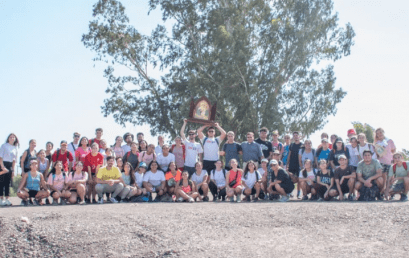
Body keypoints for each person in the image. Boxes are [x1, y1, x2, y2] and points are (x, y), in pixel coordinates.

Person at [373, 128, 396, 193]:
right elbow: (377, 154)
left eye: (380, 132)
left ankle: (390, 193)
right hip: (381, 162)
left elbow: (393, 150)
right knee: (382, 179)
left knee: (390, 178)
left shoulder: (389, 141)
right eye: (377, 133)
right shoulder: (377, 143)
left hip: (389, 162)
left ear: (383, 132)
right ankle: (382, 192)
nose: (379, 134)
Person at [0, 133, 19, 206]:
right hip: (3, 164)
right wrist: (2, 167)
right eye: (11, 137)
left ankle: (7, 199)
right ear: (8, 138)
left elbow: (14, 160)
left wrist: (13, 170)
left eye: (13, 137)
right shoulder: (4, 146)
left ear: (15, 139)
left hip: (10, 165)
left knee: (8, 183)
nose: (12, 138)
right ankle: (1, 199)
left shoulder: (15, 147)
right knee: (1, 182)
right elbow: (0, 157)